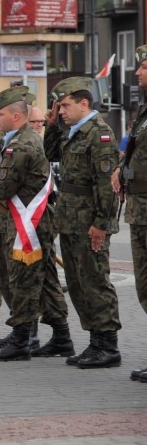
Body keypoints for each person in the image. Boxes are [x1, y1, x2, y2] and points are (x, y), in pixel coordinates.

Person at [0, 86, 66, 362]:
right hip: (34, 220)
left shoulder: (21, 144)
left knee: (22, 280)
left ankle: (22, 340)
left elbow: (2, 187)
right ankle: (62, 337)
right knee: (46, 280)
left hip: (29, 223)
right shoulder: (18, 138)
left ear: (15, 116)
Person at [44, 77, 121, 368]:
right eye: (59, 106)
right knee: (77, 283)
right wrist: (51, 125)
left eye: (65, 105)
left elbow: (106, 185)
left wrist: (101, 223)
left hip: (89, 222)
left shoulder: (99, 134)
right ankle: (94, 341)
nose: (61, 111)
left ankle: (108, 345)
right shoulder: (74, 133)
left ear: (83, 103)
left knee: (95, 282)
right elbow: (50, 154)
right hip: (70, 221)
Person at [112, 44, 147, 382]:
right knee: (145, 289)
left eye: (144, 68)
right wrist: (121, 169)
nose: (138, 74)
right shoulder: (144, 112)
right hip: (139, 212)